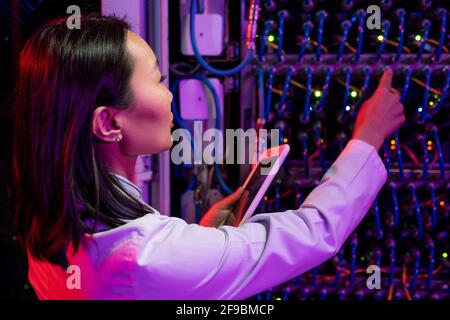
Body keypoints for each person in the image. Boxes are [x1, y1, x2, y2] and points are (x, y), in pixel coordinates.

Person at [11, 15, 405, 300]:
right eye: (158, 80)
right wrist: (366, 140)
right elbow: (314, 231)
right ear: (109, 122)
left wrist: (201, 237)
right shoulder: (146, 257)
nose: (168, 96)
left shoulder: (46, 224)